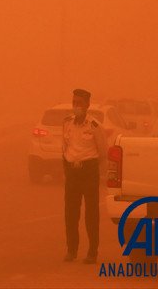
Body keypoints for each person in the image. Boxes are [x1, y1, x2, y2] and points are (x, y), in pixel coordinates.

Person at [61, 87, 107, 263]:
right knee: (71, 213)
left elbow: (103, 151)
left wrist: (92, 167)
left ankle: (92, 252)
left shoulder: (94, 126)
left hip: (89, 172)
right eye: (74, 103)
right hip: (72, 172)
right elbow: (64, 147)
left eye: (79, 103)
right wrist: (67, 166)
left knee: (91, 214)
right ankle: (71, 250)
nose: (76, 106)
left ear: (87, 105)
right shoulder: (67, 123)